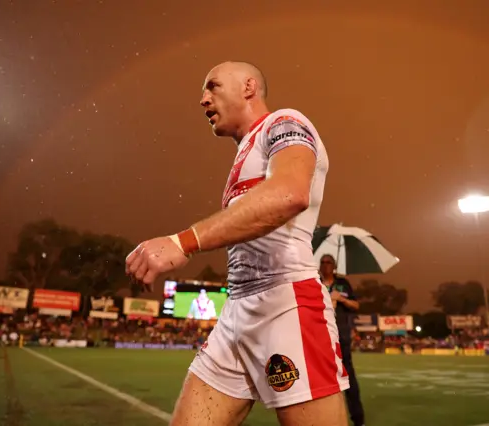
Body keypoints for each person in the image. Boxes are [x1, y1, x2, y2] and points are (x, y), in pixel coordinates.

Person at [126, 61, 349, 426]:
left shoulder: (284, 122)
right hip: (237, 312)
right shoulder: (243, 154)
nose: (202, 100)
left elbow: (290, 193)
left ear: (248, 87)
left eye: (212, 86)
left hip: (287, 304)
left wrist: (182, 242)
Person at [320, 254, 366, 426]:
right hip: (321, 336)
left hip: (342, 336)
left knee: (349, 379)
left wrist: (342, 299)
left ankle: (358, 420)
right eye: (322, 262)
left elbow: (356, 305)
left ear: (334, 265)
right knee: (323, 380)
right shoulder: (315, 282)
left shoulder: (343, 284)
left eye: (329, 262)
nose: (325, 265)